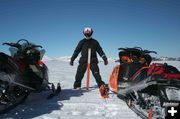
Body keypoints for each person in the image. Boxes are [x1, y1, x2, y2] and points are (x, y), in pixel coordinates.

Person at [70, 27, 108, 95]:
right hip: (83, 61)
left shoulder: (95, 42)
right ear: (84, 33)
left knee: (97, 74)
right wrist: (72, 59)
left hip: (93, 61)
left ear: (91, 33)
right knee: (79, 74)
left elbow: (100, 50)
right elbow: (76, 51)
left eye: (89, 33)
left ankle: (101, 86)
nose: (87, 34)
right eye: (86, 33)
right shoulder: (82, 42)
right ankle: (77, 86)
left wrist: (104, 58)